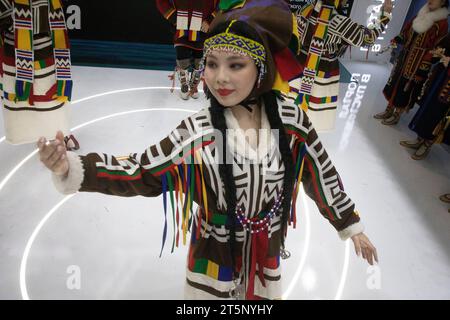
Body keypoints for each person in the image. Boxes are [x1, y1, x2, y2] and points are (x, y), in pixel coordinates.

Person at [37, 0, 377, 300]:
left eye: (235, 65)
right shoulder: (199, 133)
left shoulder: (292, 123)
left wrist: (351, 225)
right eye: (212, 64)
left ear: (260, 69)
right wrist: (70, 167)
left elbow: (321, 173)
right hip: (213, 252)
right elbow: (143, 171)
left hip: (268, 248)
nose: (219, 78)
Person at [291, 0, 392, 131]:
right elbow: (367, 38)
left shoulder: (305, 9)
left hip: (297, 69)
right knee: (311, 117)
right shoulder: (337, 21)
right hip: (320, 73)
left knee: (292, 109)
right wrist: (384, 16)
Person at [0, 0, 79, 149]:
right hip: (15, 43)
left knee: (54, 95)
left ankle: (62, 133)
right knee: (19, 98)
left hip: (47, 40)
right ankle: (35, 133)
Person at [374, 0, 448, 126]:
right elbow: (407, 31)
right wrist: (399, 38)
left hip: (418, 62)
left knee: (406, 88)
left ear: (442, 3)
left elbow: (439, 48)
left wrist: (426, 61)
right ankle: (389, 110)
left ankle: (397, 114)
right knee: (395, 82)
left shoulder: (442, 23)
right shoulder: (420, 14)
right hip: (405, 57)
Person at [400, 34, 450, 160]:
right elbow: (441, 46)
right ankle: (419, 139)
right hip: (440, 76)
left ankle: (427, 144)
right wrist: (437, 53)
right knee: (427, 107)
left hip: (447, 85)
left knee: (438, 113)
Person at [156, 0, 218, 100]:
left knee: (199, 57)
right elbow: (161, 2)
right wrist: (173, 17)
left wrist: (211, 20)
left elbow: (221, 4)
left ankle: (194, 84)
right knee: (182, 55)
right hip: (182, 21)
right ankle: (184, 83)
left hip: (203, 22)